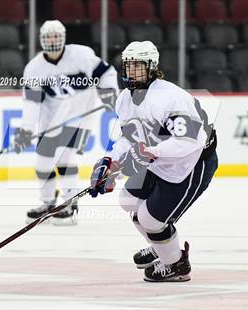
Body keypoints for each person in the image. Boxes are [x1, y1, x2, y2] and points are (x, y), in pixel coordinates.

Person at [89, 41, 218, 282]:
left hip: (191, 164)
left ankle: (175, 264)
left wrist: (150, 152)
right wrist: (109, 161)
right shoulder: (125, 100)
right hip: (159, 158)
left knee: (150, 220)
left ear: (151, 67)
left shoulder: (170, 98)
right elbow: (130, 137)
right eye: (127, 66)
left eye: (137, 66)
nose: (130, 72)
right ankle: (161, 243)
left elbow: (189, 141)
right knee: (128, 200)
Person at [14, 20, 119, 226]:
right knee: (43, 161)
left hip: (82, 114)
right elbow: (32, 104)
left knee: (64, 155)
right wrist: (26, 130)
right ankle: (48, 203)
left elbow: (106, 73)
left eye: (56, 36)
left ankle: (70, 204)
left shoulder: (80, 55)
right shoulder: (34, 68)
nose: (52, 41)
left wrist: (108, 92)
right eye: (48, 37)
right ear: (42, 40)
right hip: (52, 118)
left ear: (63, 37)